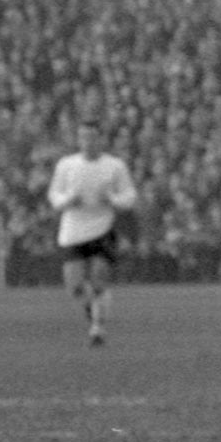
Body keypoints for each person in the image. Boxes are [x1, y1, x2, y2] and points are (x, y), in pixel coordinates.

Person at [47, 134, 139, 343]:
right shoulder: (67, 165)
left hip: (103, 229)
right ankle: (95, 314)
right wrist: (68, 201)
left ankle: (97, 328)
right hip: (73, 231)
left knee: (99, 279)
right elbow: (54, 195)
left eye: (93, 138)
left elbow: (130, 196)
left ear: (101, 141)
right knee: (75, 288)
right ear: (79, 141)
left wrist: (112, 199)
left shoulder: (115, 166)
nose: (89, 142)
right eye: (85, 138)